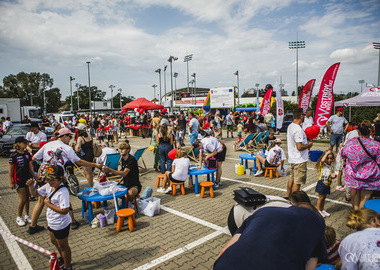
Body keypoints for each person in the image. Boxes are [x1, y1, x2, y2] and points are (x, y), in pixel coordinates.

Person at [29, 128, 102, 234]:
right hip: (57, 176)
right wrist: (94, 164)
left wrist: (46, 162)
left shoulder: (47, 145)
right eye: (69, 137)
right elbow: (79, 161)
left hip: (44, 174)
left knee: (41, 201)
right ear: (64, 136)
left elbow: (35, 158)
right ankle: (72, 221)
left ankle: (32, 225)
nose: (70, 139)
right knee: (64, 197)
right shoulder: (65, 147)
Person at [215, 203, 327, 270]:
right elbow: (310, 267)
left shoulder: (264, 211)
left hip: (225, 266)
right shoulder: (317, 224)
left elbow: (223, 251)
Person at [26, 165, 72, 270]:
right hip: (51, 222)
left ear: (60, 178)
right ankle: (62, 258)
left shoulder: (63, 192)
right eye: (47, 178)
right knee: (53, 241)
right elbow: (34, 194)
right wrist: (31, 186)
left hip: (61, 224)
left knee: (63, 247)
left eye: (52, 179)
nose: (49, 181)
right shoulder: (48, 186)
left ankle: (68, 266)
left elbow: (65, 211)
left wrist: (48, 204)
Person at [340, 120, 380, 210]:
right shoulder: (376, 145)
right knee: (365, 197)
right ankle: (361, 217)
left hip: (353, 174)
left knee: (355, 190)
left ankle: (355, 213)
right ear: (371, 131)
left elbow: (342, 154)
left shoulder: (350, 143)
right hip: (370, 176)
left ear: (358, 131)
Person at [286, 108, 313, 198]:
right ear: (301, 116)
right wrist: (309, 145)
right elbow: (299, 147)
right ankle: (294, 201)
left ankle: (288, 197)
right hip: (299, 159)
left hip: (293, 158)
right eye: (304, 115)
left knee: (291, 180)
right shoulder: (298, 129)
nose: (305, 117)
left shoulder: (291, 126)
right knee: (297, 182)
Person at [9, 136, 35, 226]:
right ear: (18, 143)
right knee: (23, 199)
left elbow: (31, 166)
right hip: (18, 179)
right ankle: (19, 217)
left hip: (27, 178)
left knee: (27, 198)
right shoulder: (13, 155)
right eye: (24, 143)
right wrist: (11, 182)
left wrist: (35, 177)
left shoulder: (27, 153)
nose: (26, 144)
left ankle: (27, 215)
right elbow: (11, 170)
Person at [315, 150, 336, 217]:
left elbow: (332, 175)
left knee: (324, 198)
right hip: (322, 183)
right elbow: (322, 160)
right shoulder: (323, 165)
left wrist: (333, 176)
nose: (330, 160)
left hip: (327, 184)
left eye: (331, 158)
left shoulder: (331, 167)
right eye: (328, 158)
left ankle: (322, 209)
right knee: (320, 198)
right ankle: (318, 211)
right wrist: (326, 153)